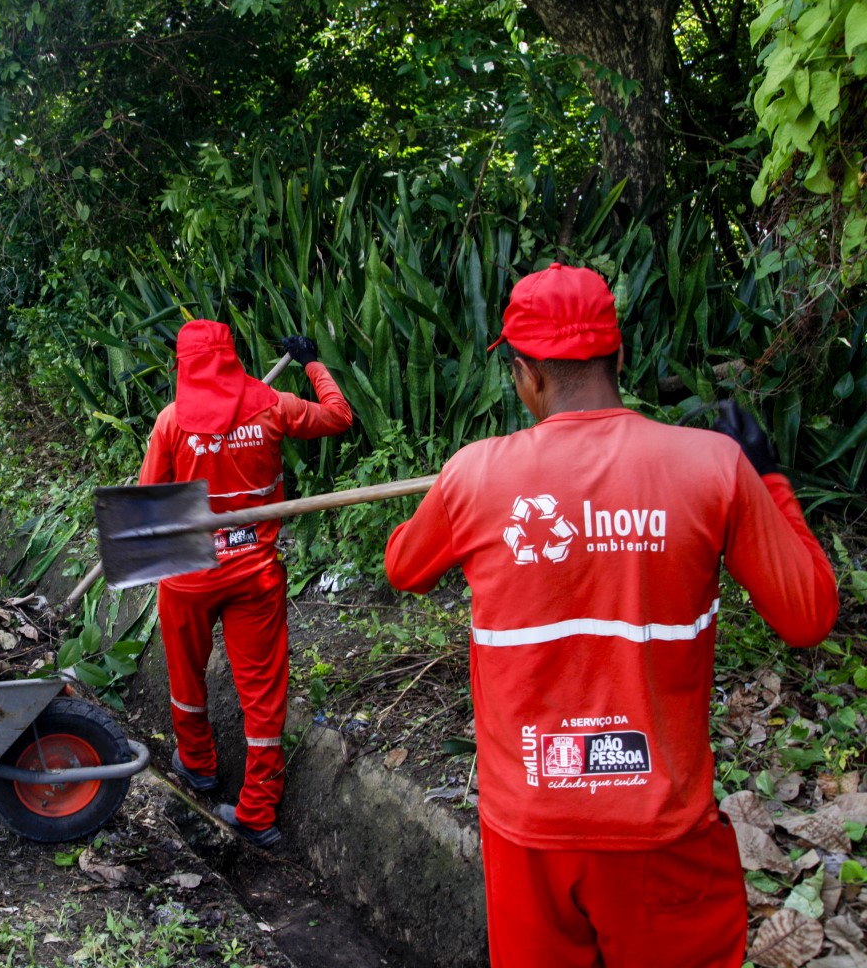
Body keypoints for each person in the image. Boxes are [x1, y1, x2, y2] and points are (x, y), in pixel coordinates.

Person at [384, 263, 838, 967]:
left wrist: (455, 492)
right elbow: (808, 615)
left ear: (524, 375)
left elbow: (403, 569)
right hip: (660, 832)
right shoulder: (715, 466)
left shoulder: (473, 474)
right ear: (620, 357)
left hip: (529, 834)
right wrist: (769, 479)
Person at [138, 320, 353, 847]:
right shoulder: (275, 405)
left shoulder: (170, 423)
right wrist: (311, 363)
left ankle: (198, 765)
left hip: (189, 574)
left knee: (186, 677)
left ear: (183, 367)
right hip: (255, 572)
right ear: (232, 357)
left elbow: (148, 499)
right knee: (262, 695)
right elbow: (339, 416)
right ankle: (258, 812)